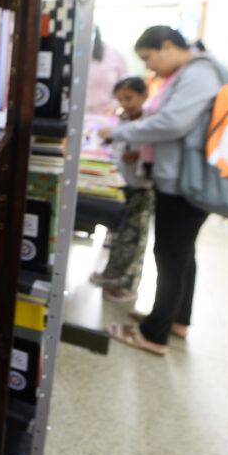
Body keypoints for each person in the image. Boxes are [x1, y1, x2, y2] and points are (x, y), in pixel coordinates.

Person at [99, 26, 222, 356]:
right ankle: (174, 320)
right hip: (180, 179)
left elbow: (172, 123)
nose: (149, 67)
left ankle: (154, 335)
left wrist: (120, 132)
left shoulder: (199, 73)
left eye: (150, 58)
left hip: (183, 183)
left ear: (168, 46)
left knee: (169, 255)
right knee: (181, 255)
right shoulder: (188, 74)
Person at [89, 77, 154, 303]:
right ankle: (112, 274)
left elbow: (148, 148)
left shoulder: (151, 121)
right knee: (119, 231)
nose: (125, 103)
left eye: (130, 98)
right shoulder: (123, 119)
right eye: (121, 99)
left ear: (144, 95)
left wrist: (138, 156)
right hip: (122, 184)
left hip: (141, 186)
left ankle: (128, 285)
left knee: (135, 237)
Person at [86, 27, 128, 114]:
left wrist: (116, 104)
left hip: (106, 115)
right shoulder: (74, 55)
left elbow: (128, 87)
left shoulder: (116, 55)